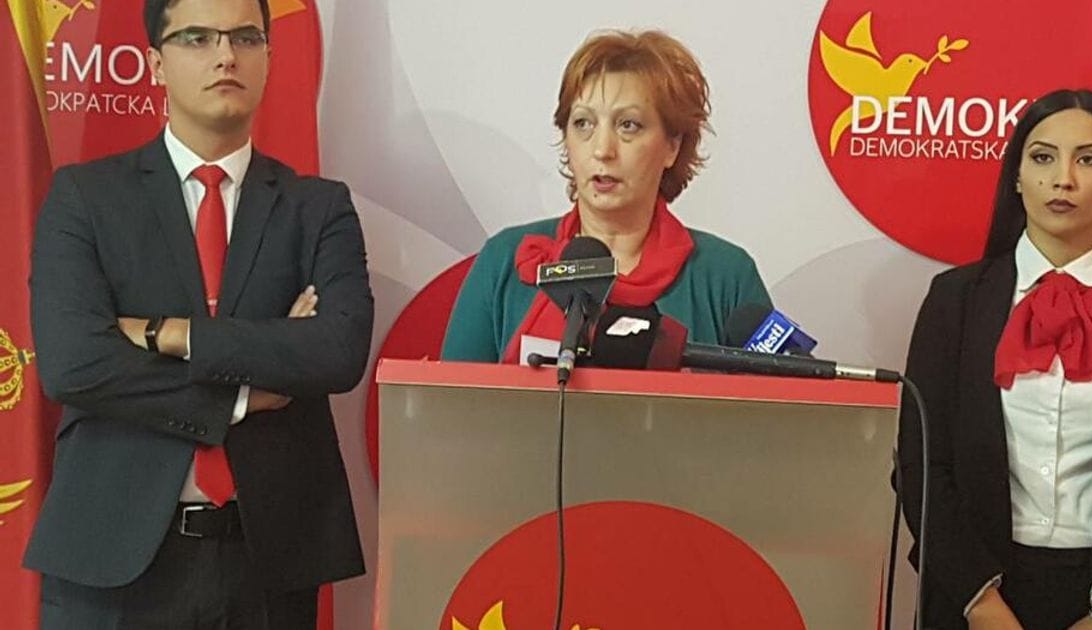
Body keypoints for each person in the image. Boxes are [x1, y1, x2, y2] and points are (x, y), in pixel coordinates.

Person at [24, 0, 374, 628]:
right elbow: (76, 364)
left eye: (246, 37)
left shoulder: (316, 208)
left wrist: (170, 335)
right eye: (197, 38)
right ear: (156, 63)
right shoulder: (84, 198)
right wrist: (240, 395)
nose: (225, 56)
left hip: (267, 565)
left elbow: (336, 351)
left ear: (268, 56)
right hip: (111, 561)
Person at [898, 88, 1092, 630]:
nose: (1063, 179)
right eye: (1042, 157)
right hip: (975, 602)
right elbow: (922, 467)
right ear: (1016, 177)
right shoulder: (954, 301)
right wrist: (981, 604)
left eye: (1088, 159)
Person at [441, 30, 770, 363]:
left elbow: (779, 393)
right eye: (583, 123)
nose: (602, 149)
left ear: (673, 146)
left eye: (628, 125)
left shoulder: (726, 275)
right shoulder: (505, 260)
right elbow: (449, 395)